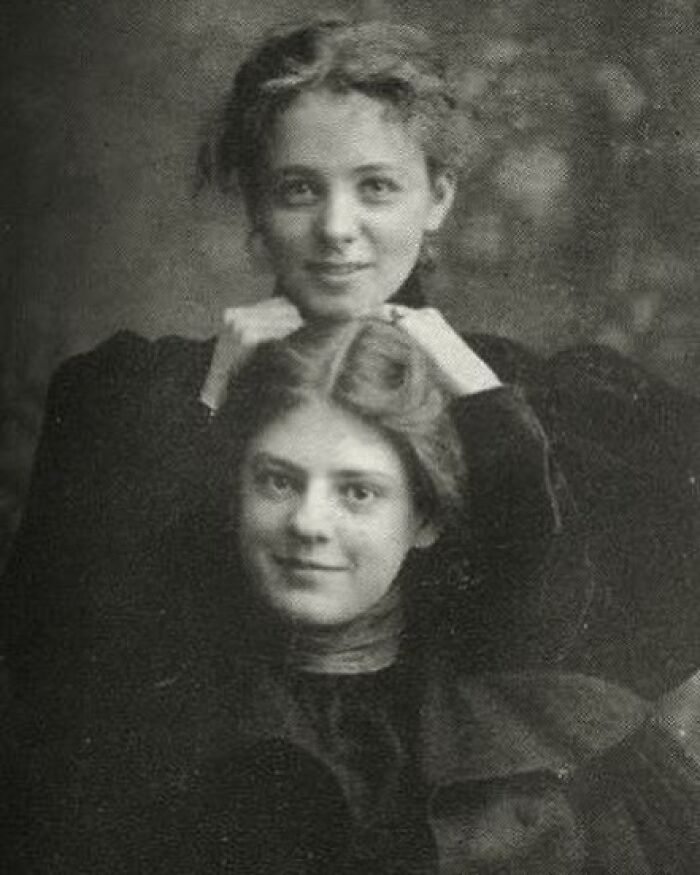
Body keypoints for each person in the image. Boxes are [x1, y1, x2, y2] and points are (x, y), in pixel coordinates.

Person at [1, 22, 698, 826]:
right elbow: (59, 661)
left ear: (437, 197)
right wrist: (210, 396)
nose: (337, 229)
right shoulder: (135, 394)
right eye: (299, 188)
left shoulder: (532, 400)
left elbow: (555, 640)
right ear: (256, 202)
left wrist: (480, 396)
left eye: (376, 187)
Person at [14, 317, 699, 873]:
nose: (309, 522)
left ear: (425, 519)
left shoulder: (536, 740)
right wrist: (215, 386)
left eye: (358, 491)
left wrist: (477, 389)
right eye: (278, 481)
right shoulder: (153, 711)